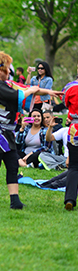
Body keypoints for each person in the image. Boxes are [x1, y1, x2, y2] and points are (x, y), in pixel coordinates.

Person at [0, 50, 62, 209]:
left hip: (6, 131)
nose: (10, 71)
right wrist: (32, 90)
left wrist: (48, 92)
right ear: (0, 69)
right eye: (8, 68)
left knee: (12, 165)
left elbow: (25, 87)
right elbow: (19, 95)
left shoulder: (3, 83)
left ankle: (15, 201)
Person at [61, 79, 78, 210]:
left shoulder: (70, 87)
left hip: (75, 129)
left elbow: (64, 103)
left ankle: (70, 199)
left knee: (73, 167)